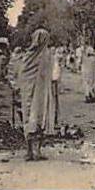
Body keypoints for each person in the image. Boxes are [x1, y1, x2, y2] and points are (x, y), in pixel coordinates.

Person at [19, 29, 56, 161]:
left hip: (30, 93)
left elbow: (22, 73)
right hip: (39, 94)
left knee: (31, 120)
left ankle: (32, 151)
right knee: (37, 119)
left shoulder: (29, 55)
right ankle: (34, 151)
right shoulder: (45, 55)